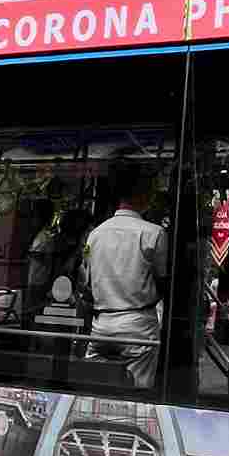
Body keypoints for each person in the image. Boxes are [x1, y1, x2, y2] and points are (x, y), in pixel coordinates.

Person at [86, 162, 170, 386]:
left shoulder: (95, 235)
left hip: (101, 325)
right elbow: (164, 283)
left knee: (93, 387)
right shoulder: (154, 234)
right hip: (137, 327)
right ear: (143, 194)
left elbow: (86, 282)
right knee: (138, 391)